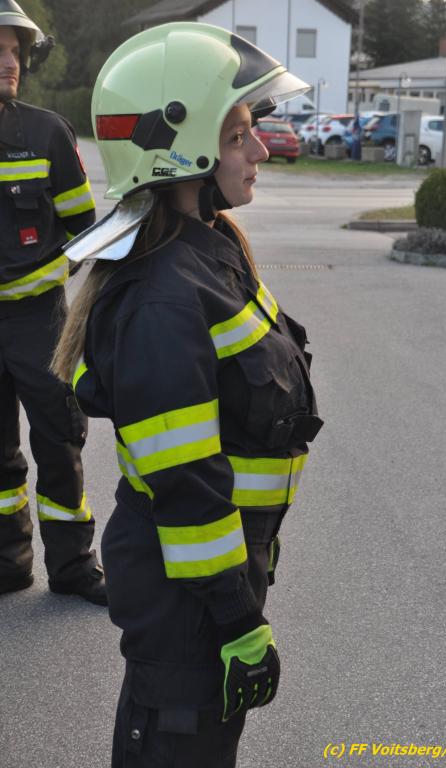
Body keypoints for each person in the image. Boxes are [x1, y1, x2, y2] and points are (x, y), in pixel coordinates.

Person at [52, 22, 323, 767]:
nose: (259, 150)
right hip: (190, 589)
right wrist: (236, 618)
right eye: (238, 136)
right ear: (184, 152)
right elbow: (185, 482)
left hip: (214, 571)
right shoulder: (163, 300)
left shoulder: (212, 248)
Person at [0, 0, 106, 605]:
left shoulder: (47, 134)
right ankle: (9, 564)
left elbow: (84, 230)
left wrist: (46, 278)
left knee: (60, 445)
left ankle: (72, 567)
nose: (11, 62)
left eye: (16, 50)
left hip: (40, 322)